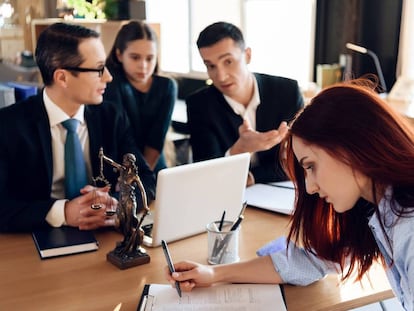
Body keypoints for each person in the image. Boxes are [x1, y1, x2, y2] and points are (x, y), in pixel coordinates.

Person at [166, 79, 414, 310]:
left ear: (352, 146)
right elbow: (309, 262)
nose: (310, 188)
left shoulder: (409, 229)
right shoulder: (375, 208)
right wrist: (214, 275)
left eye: (311, 166)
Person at [0, 22, 156, 233]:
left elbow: (146, 179)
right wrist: (63, 212)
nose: (108, 77)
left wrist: (115, 203)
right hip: (36, 240)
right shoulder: (9, 125)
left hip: (106, 236)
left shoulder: (111, 117)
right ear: (62, 77)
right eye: (99, 69)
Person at [186, 21, 304, 185]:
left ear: (247, 55)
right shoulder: (200, 104)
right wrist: (240, 149)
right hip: (225, 193)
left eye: (228, 62)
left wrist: (252, 177)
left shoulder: (287, 92)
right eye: (210, 66)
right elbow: (206, 170)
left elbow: (299, 162)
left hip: (280, 193)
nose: (220, 76)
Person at [105, 20, 177, 175]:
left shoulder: (167, 87)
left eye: (150, 58)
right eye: (135, 57)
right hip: (119, 167)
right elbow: (118, 137)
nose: (143, 66)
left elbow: (156, 139)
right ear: (119, 54)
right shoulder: (111, 84)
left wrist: (142, 177)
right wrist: (128, 178)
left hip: (154, 166)